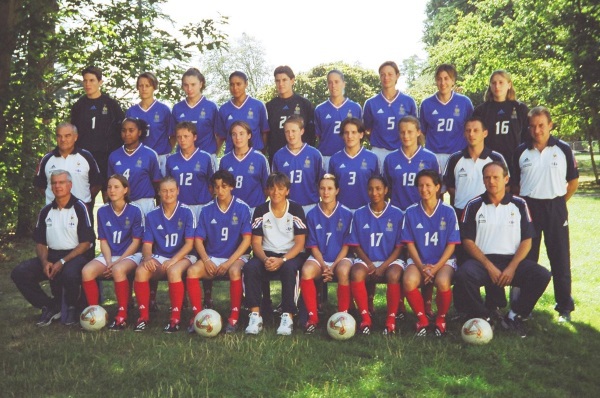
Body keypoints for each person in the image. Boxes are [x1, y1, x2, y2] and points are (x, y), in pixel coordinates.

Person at [454, 162, 552, 337]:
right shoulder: (474, 205)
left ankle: (514, 316)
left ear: (506, 179)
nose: (491, 181)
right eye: (487, 178)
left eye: (496, 177)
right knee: (463, 275)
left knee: (542, 275)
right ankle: (483, 316)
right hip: (482, 261)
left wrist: (512, 267)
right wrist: (488, 265)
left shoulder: (519, 204)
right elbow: (467, 240)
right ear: (483, 181)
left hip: (511, 261)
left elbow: (527, 240)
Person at [513, 106, 579, 323]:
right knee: (527, 259)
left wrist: (558, 203)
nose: (537, 130)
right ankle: (524, 307)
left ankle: (564, 307)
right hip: (529, 208)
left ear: (550, 125)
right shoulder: (521, 151)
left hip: (555, 208)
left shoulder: (563, 149)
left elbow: (573, 181)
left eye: (541, 125)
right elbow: (514, 186)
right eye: (532, 126)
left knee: (559, 257)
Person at [11, 170, 95, 326]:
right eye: (54, 183)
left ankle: (72, 307)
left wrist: (62, 261)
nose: (58, 186)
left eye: (62, 182)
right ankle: (50, 306)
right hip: (52, 255)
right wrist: (45, 263)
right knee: (20, 272)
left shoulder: (80, 207)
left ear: (70, 185)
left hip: (76, 256)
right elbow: (40, 242)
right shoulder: (45, 211)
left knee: (69, 274)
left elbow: (86, 243)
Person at [186, 170, 252, 333]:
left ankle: (234, 317)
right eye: (216, 187)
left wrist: (229, 263)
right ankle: (198, 316)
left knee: (235, 271)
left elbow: (247, 240)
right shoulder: (206, 209)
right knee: (192, 271)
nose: (220, 190)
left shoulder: (243, 208)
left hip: (236, 257)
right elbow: (198, 240)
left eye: (224, 186)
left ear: (231, 187)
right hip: (213, 256)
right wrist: (207, 260)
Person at [243, 172, 308, 335]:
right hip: (267, 254)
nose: (276, 192)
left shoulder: (295, 209)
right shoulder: (260, 210)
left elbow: (300, 243)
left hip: (290, 254)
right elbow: (255, 242)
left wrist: (283, 260)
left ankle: (288, 316)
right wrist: (265, 259)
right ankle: (255, 315)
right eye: (272, 188)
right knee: (250, 268)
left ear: (287, 191)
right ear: (267, 191)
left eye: (280, 188)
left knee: (289, 269)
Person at [133, 177, 197, 332]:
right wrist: (147, 257)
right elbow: (147, 244)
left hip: (184, 255)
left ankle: (175, 317)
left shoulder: (187, 211)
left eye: (172, 190)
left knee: (173, 271)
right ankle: (143, 316)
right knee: (141, 271)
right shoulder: (152, 215)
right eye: (164, 191)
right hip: (160, 254)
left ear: (177, 191)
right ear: (159, 192)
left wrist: (174, 260)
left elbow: (190, 244)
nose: (168, 194)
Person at [401, 169, 460, 336]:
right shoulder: (411, 212)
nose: (424, 189)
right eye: (420, 186)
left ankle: (441, 319)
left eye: (428, 185)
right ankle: (423, 320)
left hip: (443, 261)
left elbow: (451, 245)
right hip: (419, 260)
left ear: (437, 187)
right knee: (409, 280)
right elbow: (410, 244)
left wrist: (434, 268)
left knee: (442, 282)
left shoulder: (448, 211)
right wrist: (422, 267)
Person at [80, 174, 144, 330]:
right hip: (109, 255)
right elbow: (103, 241)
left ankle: (122, 314)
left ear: (125, 190)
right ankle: (94, 312)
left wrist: (118, 261)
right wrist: (108, 262)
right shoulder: (102, 211)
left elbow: (136, 242)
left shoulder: (135, 211)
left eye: (116, 187)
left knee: (118, 270)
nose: (112, 190)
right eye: (109, 187)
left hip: (131, 255)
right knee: (87, 271)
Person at [347, 176, 405, 335]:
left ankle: (391, 319)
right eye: (371, 189)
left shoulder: (397, 214)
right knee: (357, 273)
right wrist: (371, 265)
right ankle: (365, 318)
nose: (374, 192)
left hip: (391, 260)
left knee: (393, 275)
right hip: (367, 259)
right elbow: (355, 244)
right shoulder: (359, 213)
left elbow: (400, 247)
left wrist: (384, 266)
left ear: (386, 190)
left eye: (379, 188)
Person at [300, 174, 353, 333]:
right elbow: (313, 245)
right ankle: (313, 317)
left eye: (330, 188)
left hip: (341, 258)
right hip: (320, 258)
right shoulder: (312, 214)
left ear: (337, 190)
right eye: (322, 188)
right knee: (306, 271)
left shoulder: (347, 213)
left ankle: (343, 316)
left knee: (343, 271)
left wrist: (333, 266)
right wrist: (324, 266)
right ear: (318, 190)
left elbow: (346, 246)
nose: (326, 192)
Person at [70, 66, 124, 199]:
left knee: (110, 199)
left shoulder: (111, 105)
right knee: (85, 199)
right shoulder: (78, 106)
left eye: (92, 80)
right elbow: (72, 134)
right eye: (85, 80)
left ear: (100, 82)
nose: (88, 84)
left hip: (106, 160)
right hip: (85, 161)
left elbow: (122, 131)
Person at [444, 116, 509, 217]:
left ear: (485, 133)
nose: (471, 134)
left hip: (489, 213)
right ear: (464, 134)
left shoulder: (496, 158)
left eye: (476, 130)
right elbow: (450, 186)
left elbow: (506, 185)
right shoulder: (455, 158)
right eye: (468, 130)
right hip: (461, 212)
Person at [473, 69, 529, 178]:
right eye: (493, 83)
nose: (497, 86)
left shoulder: (520, 108)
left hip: (514, 160)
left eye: (501, 82)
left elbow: (527, 136)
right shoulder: (481, 110)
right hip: (489, 160)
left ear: (509, 85)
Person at [419, 64, 474, 174]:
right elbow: (421, 133)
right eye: (439, 79)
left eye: (446, 78)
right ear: (435, 81)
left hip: (458, 155)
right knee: (433, 190)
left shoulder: (464, 102)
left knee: (459, 190)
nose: (443, 83)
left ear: (453, 81)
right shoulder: (427, 104)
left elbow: (472, 130)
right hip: (434, 155)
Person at [363, 61, 417, 170]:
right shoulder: (371, 103)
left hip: (402, 151)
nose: (386, 77)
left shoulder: (408, 101)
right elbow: (367, 130)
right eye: (382, 74)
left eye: (390, 74)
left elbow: (415, 130)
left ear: (397, 76)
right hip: (379, 152)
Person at [34, 122, 102, 209]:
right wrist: (54, 199)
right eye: (59, 136)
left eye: (67, 136)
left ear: (75, 137)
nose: (63, 139)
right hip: (54, 212)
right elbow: (40, 185)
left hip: (81, 210)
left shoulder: (86, 157)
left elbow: (97, 184)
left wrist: (84, 199)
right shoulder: (47, 159)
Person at [383, 116, 440, 212]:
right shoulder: (390, 159)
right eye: (402, 132)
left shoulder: (430, 158)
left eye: (410, 132)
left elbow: (437, 189)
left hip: (422, 212)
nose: (406, 136)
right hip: (398, 211)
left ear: (418, 132)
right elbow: (387, 189)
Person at [107, 118, 162, 216]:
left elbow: (157, 184)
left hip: (144, 203)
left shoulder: (150, 154)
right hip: (122, 204)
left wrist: (159, 210)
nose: (127, 134)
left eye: (131, 130)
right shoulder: (114, 156)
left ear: (139, 132)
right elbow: (110, 184)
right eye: (123, 130)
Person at [272, 115, 324, 214]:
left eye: (293, 131)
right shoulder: (279, 156)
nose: (290, 134)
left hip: (310, 206)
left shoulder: (314, 154)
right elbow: (275, 184)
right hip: (287, 207)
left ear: (302, 131)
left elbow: (321, 182)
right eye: (287, 131)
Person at [126, 72, 176, 175]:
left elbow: (173, 135)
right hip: (139, 158)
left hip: (160, 157)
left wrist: (165, 151)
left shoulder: (163, 110)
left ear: (154, 87)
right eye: (141, 85)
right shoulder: (132, 111)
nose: (144, 89)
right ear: (137, 88)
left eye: (147, 85)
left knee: (162, 189)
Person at [165, 121, 215, 220]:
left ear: (195, 137)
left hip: (201, 206)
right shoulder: (171, 159)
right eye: (179, 137)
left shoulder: (205, 157)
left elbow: (212, 185)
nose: (182, 140)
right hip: (179, 207)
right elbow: (168, 184)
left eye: (186, 136)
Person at [314, 69, 362, 170]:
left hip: (349, 157)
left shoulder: (355, 107)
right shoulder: (320, 109)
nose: (333, 85)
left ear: (343, 84)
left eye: (336, 82)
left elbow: (360, 133)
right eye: (330, 82)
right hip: (327, 156)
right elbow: (319, 136)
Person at [328, 118, 380, 212]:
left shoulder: (372, 158)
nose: (349, 136)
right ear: (342, 135)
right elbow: (331, 188)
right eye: (346, 132)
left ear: (361, 134)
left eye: (353, 132)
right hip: (341, 211)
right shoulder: (335, 159)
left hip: (366, 210)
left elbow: (377, 187)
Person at [219, 121, 270, 214]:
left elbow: (267, 188)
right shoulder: (225, 160)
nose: (238, 138)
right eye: (234, 134)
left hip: (254, 209)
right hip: (232, 209)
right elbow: (221, 187)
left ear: (249, 135)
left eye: (241, 134)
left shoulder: (260, 158)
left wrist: (258, 204)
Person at [266, 65, 315, 161]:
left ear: (292, 81)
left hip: (301, 157)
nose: (281, 84)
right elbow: (266, 134)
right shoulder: (269, 106)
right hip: (277, 157)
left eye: (284, 80)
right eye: (277, 81)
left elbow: (311, 132)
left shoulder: (304, 104)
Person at [217, 71, 269, 154]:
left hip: (254, 155)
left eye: (238, 84)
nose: (235, 88)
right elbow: (221, 137)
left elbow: (265, 132)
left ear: (246, 84)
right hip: (232, 157)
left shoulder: (258, 105)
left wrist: (262, 153)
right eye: (232, 84)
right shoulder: (224, 109)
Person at [172, 68, 219, 156]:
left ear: (200, 84)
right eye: (186, 85)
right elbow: (173, 136)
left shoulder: (211, 107)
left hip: (207, 156)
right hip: (182, 158)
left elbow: (219, 136)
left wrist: (213, 154)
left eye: (193, 84)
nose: (189, 88)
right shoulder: (177, 108)